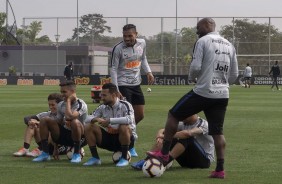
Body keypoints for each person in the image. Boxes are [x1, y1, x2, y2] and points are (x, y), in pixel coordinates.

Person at [147, 18, 238, 179]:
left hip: (203, 91)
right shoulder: (229, 44)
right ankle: (220, 170)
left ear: (207, 25)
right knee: (217, 132)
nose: (197, 31)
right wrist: (223, 84)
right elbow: (234, 74)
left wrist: (193, 78)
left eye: (198, 28)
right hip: (222, 94)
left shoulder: (203, 41)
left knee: (173, 115)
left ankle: (164, 154)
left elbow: (195, 66)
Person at [110, 24, 154, 157]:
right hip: (123, 85)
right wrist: (116, 90)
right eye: (125, 36)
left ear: (136, 34)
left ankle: (121, 132)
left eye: (130, 36)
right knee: (128, 117)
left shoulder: (142, 43)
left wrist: (149, 72)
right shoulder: (118, 48)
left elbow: (144, 58)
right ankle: (130, 145)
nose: (127, 39)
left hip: (136, 84)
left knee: (139, 115)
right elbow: (113, 69)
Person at [131, 114, 214, 170]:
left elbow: (188, 133)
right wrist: (160, 135)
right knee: (168, 138)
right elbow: (163, 130)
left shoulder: (203, 124)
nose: (181, 116)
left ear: (192, 113)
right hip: (187, 162)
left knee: (187, 137)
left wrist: (166, 136)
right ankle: (146, 161)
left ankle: (164, 162)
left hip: (204, 162)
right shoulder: (184, 123)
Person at [83, 83, 137, 167]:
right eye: (101, 95)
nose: (102, 97)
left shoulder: (125, 105)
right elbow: (86, 119)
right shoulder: (102, 107)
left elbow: (130, 119)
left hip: (127, 139)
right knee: (88, 126)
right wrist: (96, 119)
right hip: (109, 139)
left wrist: (110, 121)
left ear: (114, 95)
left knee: (124, 126)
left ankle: (124, 158)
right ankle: (95, 158)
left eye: (104, 95)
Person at [33, 81, 88, 163]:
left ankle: (76, 154)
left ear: (72, 92)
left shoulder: (81, 104)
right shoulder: (61, 105)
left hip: (81, 138)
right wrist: (55, 148)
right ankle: (45, 153)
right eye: (61, 92)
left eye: (64, 92)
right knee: (45, 120)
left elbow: (70, 117)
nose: (62, 94)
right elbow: (59, 122)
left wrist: (69, 101)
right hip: (65, 136)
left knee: (74, 122)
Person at [13, 93, 65, 157]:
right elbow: (26, 118)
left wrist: (39, 123)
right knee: (32, 125)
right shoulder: (48, 114)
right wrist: (30, 122)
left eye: (53, 105)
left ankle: (41, 149)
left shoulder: (64, 115)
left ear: (60, 105)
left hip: (59, 145)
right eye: (49, 105)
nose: (51, 107)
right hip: (46, 143)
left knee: (48, 128)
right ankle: (25, 148)